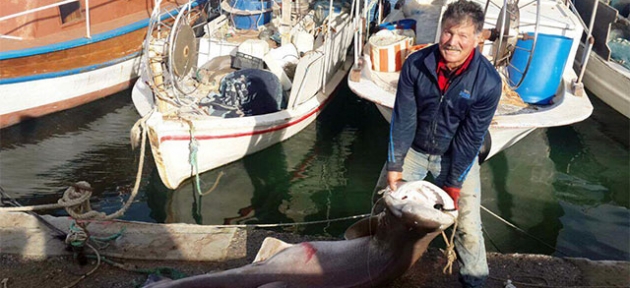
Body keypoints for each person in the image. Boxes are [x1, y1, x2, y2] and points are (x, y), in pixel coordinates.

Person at [382, 1, 502, 287]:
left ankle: (474, 281)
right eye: (448, 32)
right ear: (440, 30)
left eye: (463, 35)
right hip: (415, 148)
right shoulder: (415, 64)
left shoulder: (488, 83)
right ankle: (374, 263)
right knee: (384, 205)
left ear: (477, 38)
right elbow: (403, 119)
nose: (453, 42)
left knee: (468, 226)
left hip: (455, 154)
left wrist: (453, 184)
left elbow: (470, 138)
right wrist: (395, 165)